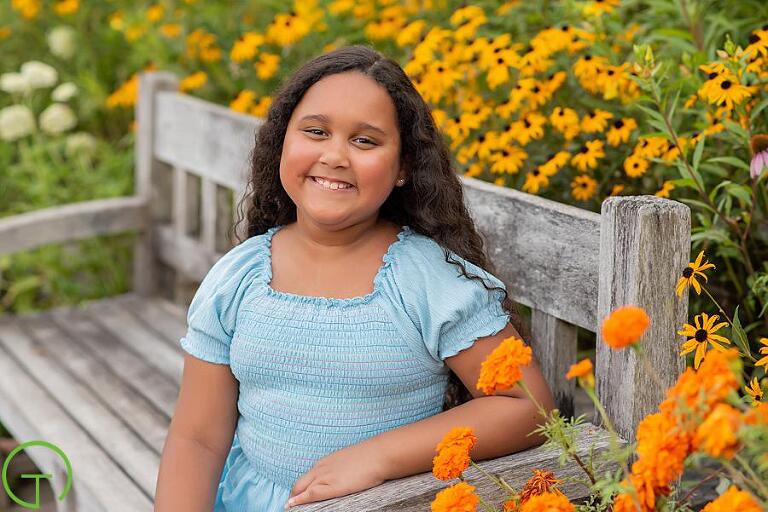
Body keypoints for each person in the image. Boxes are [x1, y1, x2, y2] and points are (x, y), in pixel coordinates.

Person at [154, 45, 556, 512]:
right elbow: (197, 438)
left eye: (365, 141)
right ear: (283, 140)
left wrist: (378, 457)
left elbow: (526, 407)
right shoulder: (238, 277)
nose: (335, 155)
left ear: (404, 166)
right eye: (316, 131)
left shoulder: (426, 280)